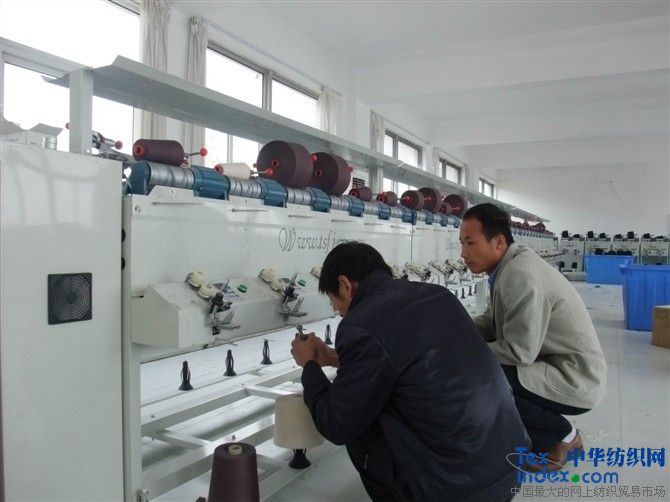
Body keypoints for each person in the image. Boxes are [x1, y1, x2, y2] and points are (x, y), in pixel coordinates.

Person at [290, 242, 530, 501]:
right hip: (508, 462)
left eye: (334, 303)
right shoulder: (439, 295)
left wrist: (309, 365)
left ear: (345, 284)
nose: (338, 312)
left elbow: (337, 424)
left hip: (456, 489)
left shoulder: (360, 324)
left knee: (361, 426)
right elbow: (406, 361)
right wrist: (332, 358)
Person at [459, 203, 607, 470]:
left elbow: (519, 352)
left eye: (470, 243)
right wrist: (454, 329)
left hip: (575, 376)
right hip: (554, 363)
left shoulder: (519, 274)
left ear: (499, 242)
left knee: (480, 374)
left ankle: (563, 437)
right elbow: (491, 323)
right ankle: (541, 437)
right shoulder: (507, 268)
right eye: (461, 244)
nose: (463, 253)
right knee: (481, 366)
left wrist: (463, 350)